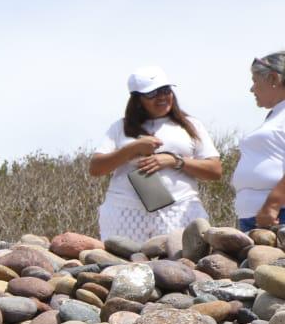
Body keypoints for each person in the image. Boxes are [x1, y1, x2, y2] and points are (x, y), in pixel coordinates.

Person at [88, 66, 222, 242]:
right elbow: (96, 168)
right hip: (125, 211)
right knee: (124, 267)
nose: (162, 97)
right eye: (152, 93)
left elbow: (215, 170)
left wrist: (175, 161)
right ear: (137, 99)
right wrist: (132, 148)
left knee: (180, 267)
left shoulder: (190, 125)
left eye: (165, 90)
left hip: (180, 209)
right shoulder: (120, 127)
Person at [234, 51, 285, 231]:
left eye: (255, 81)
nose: (252, 89)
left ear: (273, 79)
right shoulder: (276, 115)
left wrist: (273, 204)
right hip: (259, 216)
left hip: (277, 215)